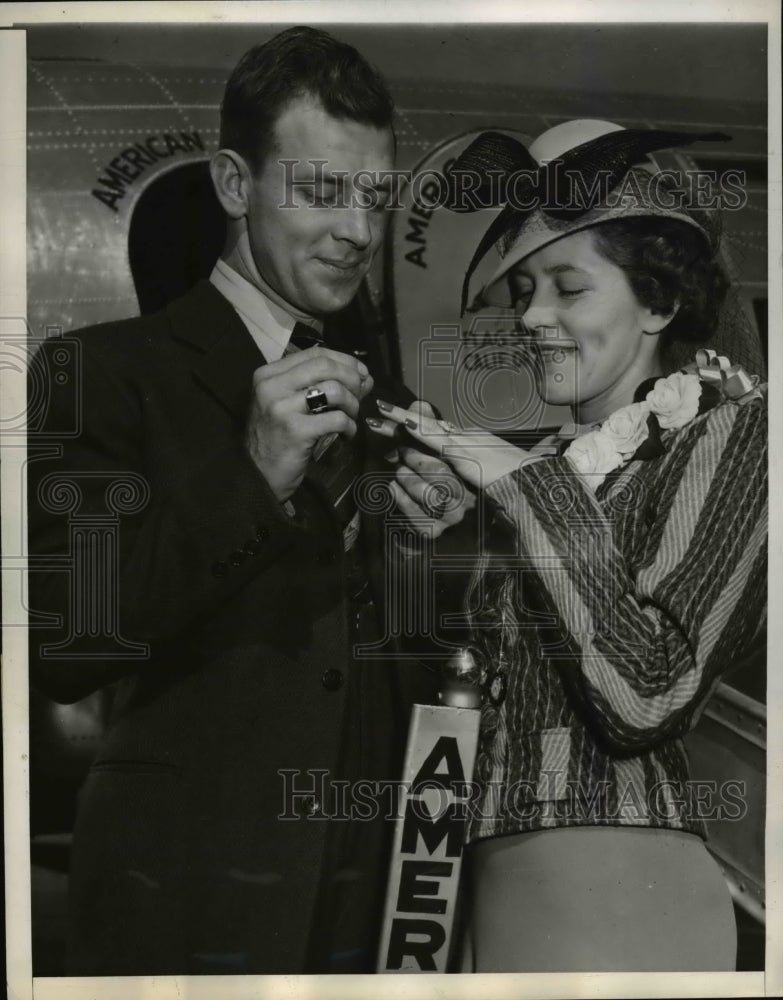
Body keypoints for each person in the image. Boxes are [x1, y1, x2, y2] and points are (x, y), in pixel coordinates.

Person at [27, 26, 447, 975]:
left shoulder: (384, 398)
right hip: (186, 898)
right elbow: (63, 644)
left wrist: (439, 550)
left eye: (375, 195)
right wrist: (252, 474)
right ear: (231, 184)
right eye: (323, 190)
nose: (359, 229)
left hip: (372, 905)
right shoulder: (97, 373)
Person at [370, 119, 767, 972]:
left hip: (616, 894)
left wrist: (515, 486)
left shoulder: (735, 432)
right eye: (521, 290)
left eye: (567, 287)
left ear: (657, 301)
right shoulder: (554, 466)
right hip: (485, 887)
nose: (530, 315)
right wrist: (433, 544)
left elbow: (647, 692)